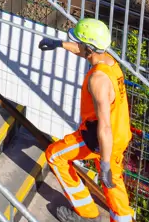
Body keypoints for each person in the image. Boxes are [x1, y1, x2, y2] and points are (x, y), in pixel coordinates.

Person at [39, 18, 132, 222]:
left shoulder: (98, 80)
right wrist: (59, 44)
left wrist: (104, 162)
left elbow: (104, 127)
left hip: (99, 138)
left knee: (55, 156)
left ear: (89, 48)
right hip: (119, 136)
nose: (78, 47)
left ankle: (87, 214)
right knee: (113, 184)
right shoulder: (109, 62)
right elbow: (84, 50)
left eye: (79, 43)